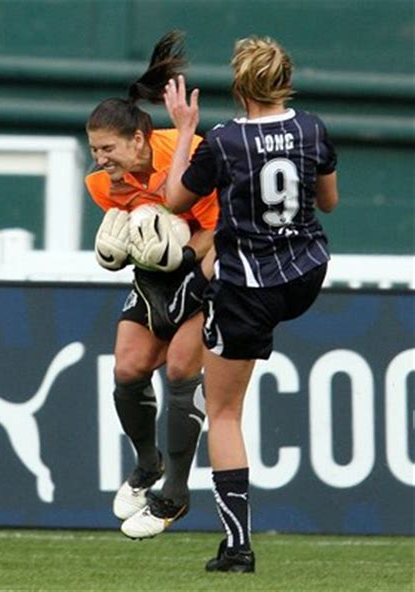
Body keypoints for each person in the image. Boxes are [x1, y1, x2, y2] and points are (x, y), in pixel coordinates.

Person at [163, 36, 339, 573]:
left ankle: (237, 547)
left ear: (240, 88)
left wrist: (186, 130)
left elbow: (174, 202)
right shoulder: (312, 128)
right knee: (215, 257)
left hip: (250, 290)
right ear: (285, 78)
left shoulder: (224, 141)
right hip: (306, 275)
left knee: (224, 412)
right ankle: (203, 295)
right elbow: (327, 202)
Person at [84, 31, 219, 539]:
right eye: (94, 148)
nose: (99, 158)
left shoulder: (191, 153)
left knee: (184, 368)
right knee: (127, 367)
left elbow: (218, 226)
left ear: (138, 140)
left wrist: (184, 256)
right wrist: (120, 252)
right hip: (155, 279)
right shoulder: (100, 184)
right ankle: (147, 464)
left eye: (108, 148)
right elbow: (140, 240)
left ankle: (176, 494)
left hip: (205, 267)